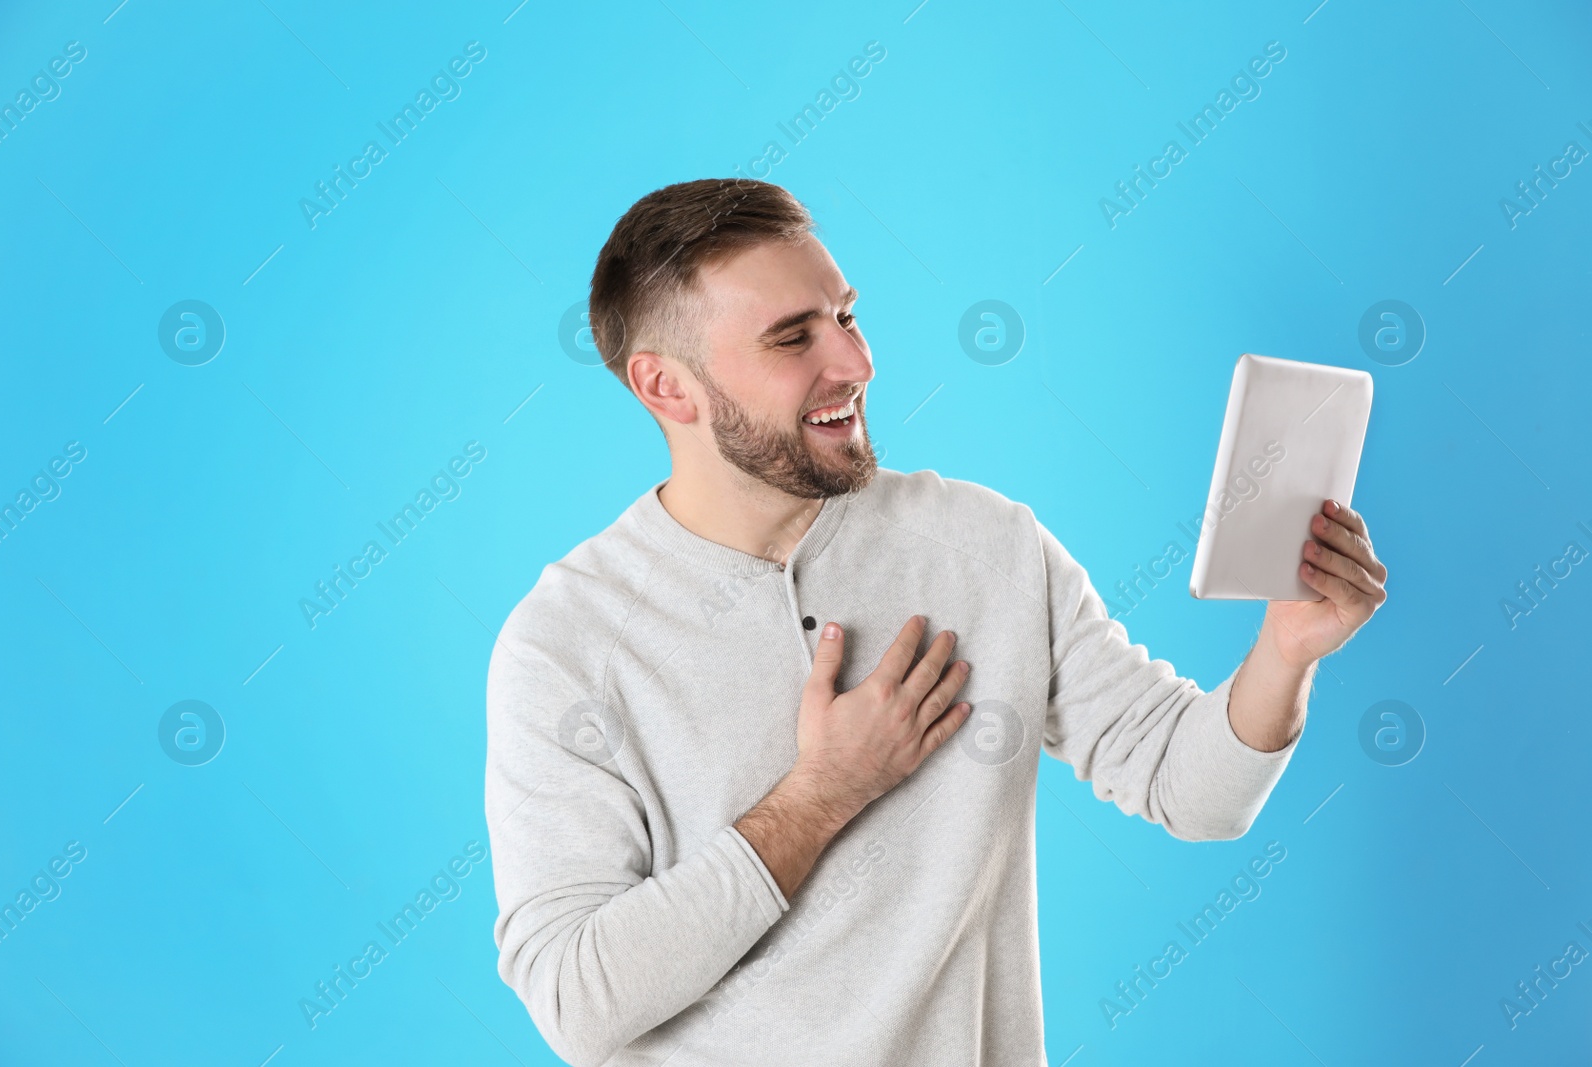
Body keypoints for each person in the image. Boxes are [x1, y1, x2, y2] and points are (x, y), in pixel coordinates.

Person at [483, 178, 1387, 1066]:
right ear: (666, 388)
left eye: (844, 314)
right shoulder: (567, 643)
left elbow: (1195, 792)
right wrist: (823, 792)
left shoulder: (987, 543)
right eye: (792, 338)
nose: (855, 362)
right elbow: (576, 999)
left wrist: (1285, 651)